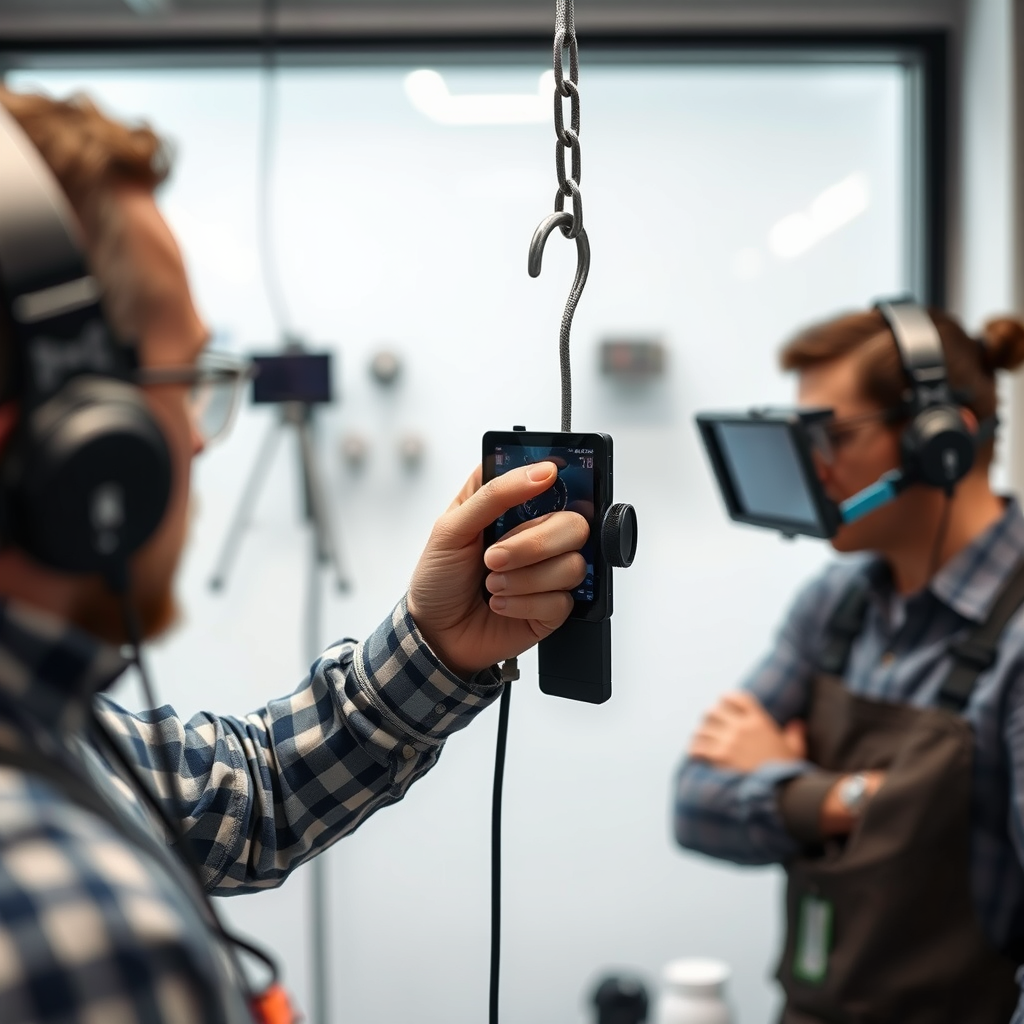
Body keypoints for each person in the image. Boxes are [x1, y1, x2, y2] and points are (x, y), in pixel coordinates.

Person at [0, 88, 591, 1022]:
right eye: (182, 383)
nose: (194, 444)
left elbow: (246, 795)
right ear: (73, 434)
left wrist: (436, 648)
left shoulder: (54, 733)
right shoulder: (76, 926)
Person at [674, 303, 1024, 1023]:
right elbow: (695, 802)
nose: (815, 470)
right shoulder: (837, 602)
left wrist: (787, 785)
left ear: (941, 446)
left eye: (830, 436)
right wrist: (833, 800)